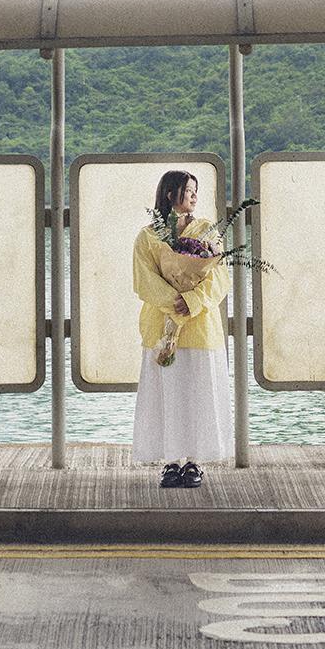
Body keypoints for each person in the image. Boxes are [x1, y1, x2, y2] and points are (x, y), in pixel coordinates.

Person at [130, 169, 234, 487]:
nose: (194, 196)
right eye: (189, 190)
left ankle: (193, 462)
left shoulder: (207, 231)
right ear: (170, 193)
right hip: (162, 327)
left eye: (195, 190)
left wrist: (193, 300)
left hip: (199, 326)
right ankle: (171, 462)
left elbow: (219, 277)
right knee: (167, 394)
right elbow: (144, 281)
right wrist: (176, 302)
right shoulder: (148, 237)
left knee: (196, 391)